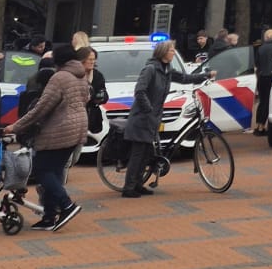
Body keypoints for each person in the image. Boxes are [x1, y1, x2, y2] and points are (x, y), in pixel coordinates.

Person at [10, 43, 89, 232]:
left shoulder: (59, 78)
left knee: (42, 169)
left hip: (60, 130)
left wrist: (15, 126)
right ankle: (49, 216)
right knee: (53, 171)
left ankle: (66, 205)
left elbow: (42, 108)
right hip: (78, 128)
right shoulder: (81, 76)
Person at [121, 38, 206, 199]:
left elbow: (184, 78)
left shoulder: (166, 70)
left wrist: (204, 76)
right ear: (163, 53)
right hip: (142, 118)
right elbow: (140, 90)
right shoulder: (151, 69)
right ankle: (128, 187)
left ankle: (138, 184)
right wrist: (148, 109)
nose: (174, 52)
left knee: (147, 153)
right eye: (172, 50)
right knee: (138, 153)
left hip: (153, 118)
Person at [254, 27, 272, 135]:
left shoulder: (260, 48)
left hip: (262, 76)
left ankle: (258, 125)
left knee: (262, 101)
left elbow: (257, 64)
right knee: (269, 101)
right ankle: (263, 126)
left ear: (266, 37)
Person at [83, 46, 109, 142]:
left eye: (94, 59)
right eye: (90, 59)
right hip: (77, 117)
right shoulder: (75, 75)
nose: (92, 62)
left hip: (92, 117)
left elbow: (103, 93)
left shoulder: (97, 75)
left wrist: (101, 96)